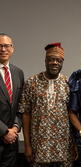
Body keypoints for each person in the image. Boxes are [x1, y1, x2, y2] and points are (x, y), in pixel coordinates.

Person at [19, 43, 74, 167]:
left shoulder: (68, 83)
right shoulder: (32, 82)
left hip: (64, 149)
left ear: (62, 62)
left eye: (58, 60)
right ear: (45, 61)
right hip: (39, 148)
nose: (55, 63)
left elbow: (73, 115)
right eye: (51, 59)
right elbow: (26, 114)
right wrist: (27, 145)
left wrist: (74, 144)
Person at [0, 33, 24, 167]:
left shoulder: (18, 73)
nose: (3, 49)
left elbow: (20, 104)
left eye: (6, 46)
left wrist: (15, 128)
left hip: (11, 142)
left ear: (12, 48)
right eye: (0, 46)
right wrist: (4, 131)